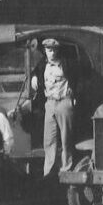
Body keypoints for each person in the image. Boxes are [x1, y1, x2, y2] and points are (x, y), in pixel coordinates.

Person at [30, 38, 80, 175]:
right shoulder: (42, 64)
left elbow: (79, 78)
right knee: (49, 139)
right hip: (50, 103)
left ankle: (66, 168)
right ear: (45, 51)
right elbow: (35, 72)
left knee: (66, 138)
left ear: (58, 50)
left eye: (53, 50)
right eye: (48, 50)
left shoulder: (67, 63)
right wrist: (34, 77)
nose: (51, 53)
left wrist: (74, 97)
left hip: (64, 102)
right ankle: (50, 171)